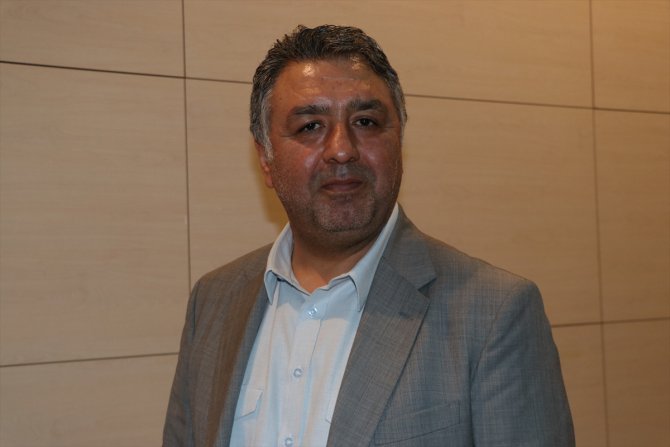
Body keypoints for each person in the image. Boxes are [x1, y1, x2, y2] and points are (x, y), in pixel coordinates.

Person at [163, 25, 574, 447]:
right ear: (265, 158)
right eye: (310, 126)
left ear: (399, 141)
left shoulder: (493, 313)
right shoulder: (213, 302)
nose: (342, 149)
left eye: (365, 121)